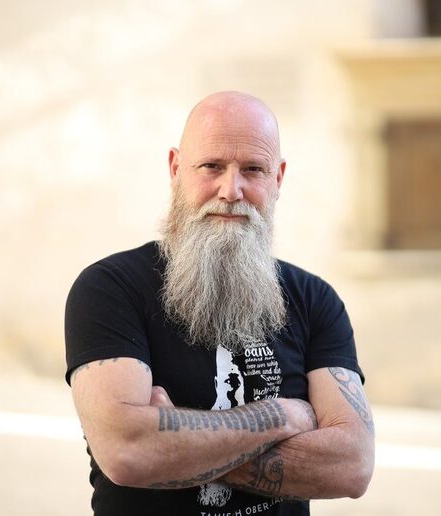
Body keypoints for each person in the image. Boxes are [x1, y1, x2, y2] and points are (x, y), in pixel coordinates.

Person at [65, 91, 375, 516]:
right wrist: (280, 416)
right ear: (176, 169)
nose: (231, 190)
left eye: (253, 169)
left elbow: (352, 466)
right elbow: (127, 452)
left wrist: (174, 446)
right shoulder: (111, 289)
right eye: (211, 166)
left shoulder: (315, 300)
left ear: (278, 178)